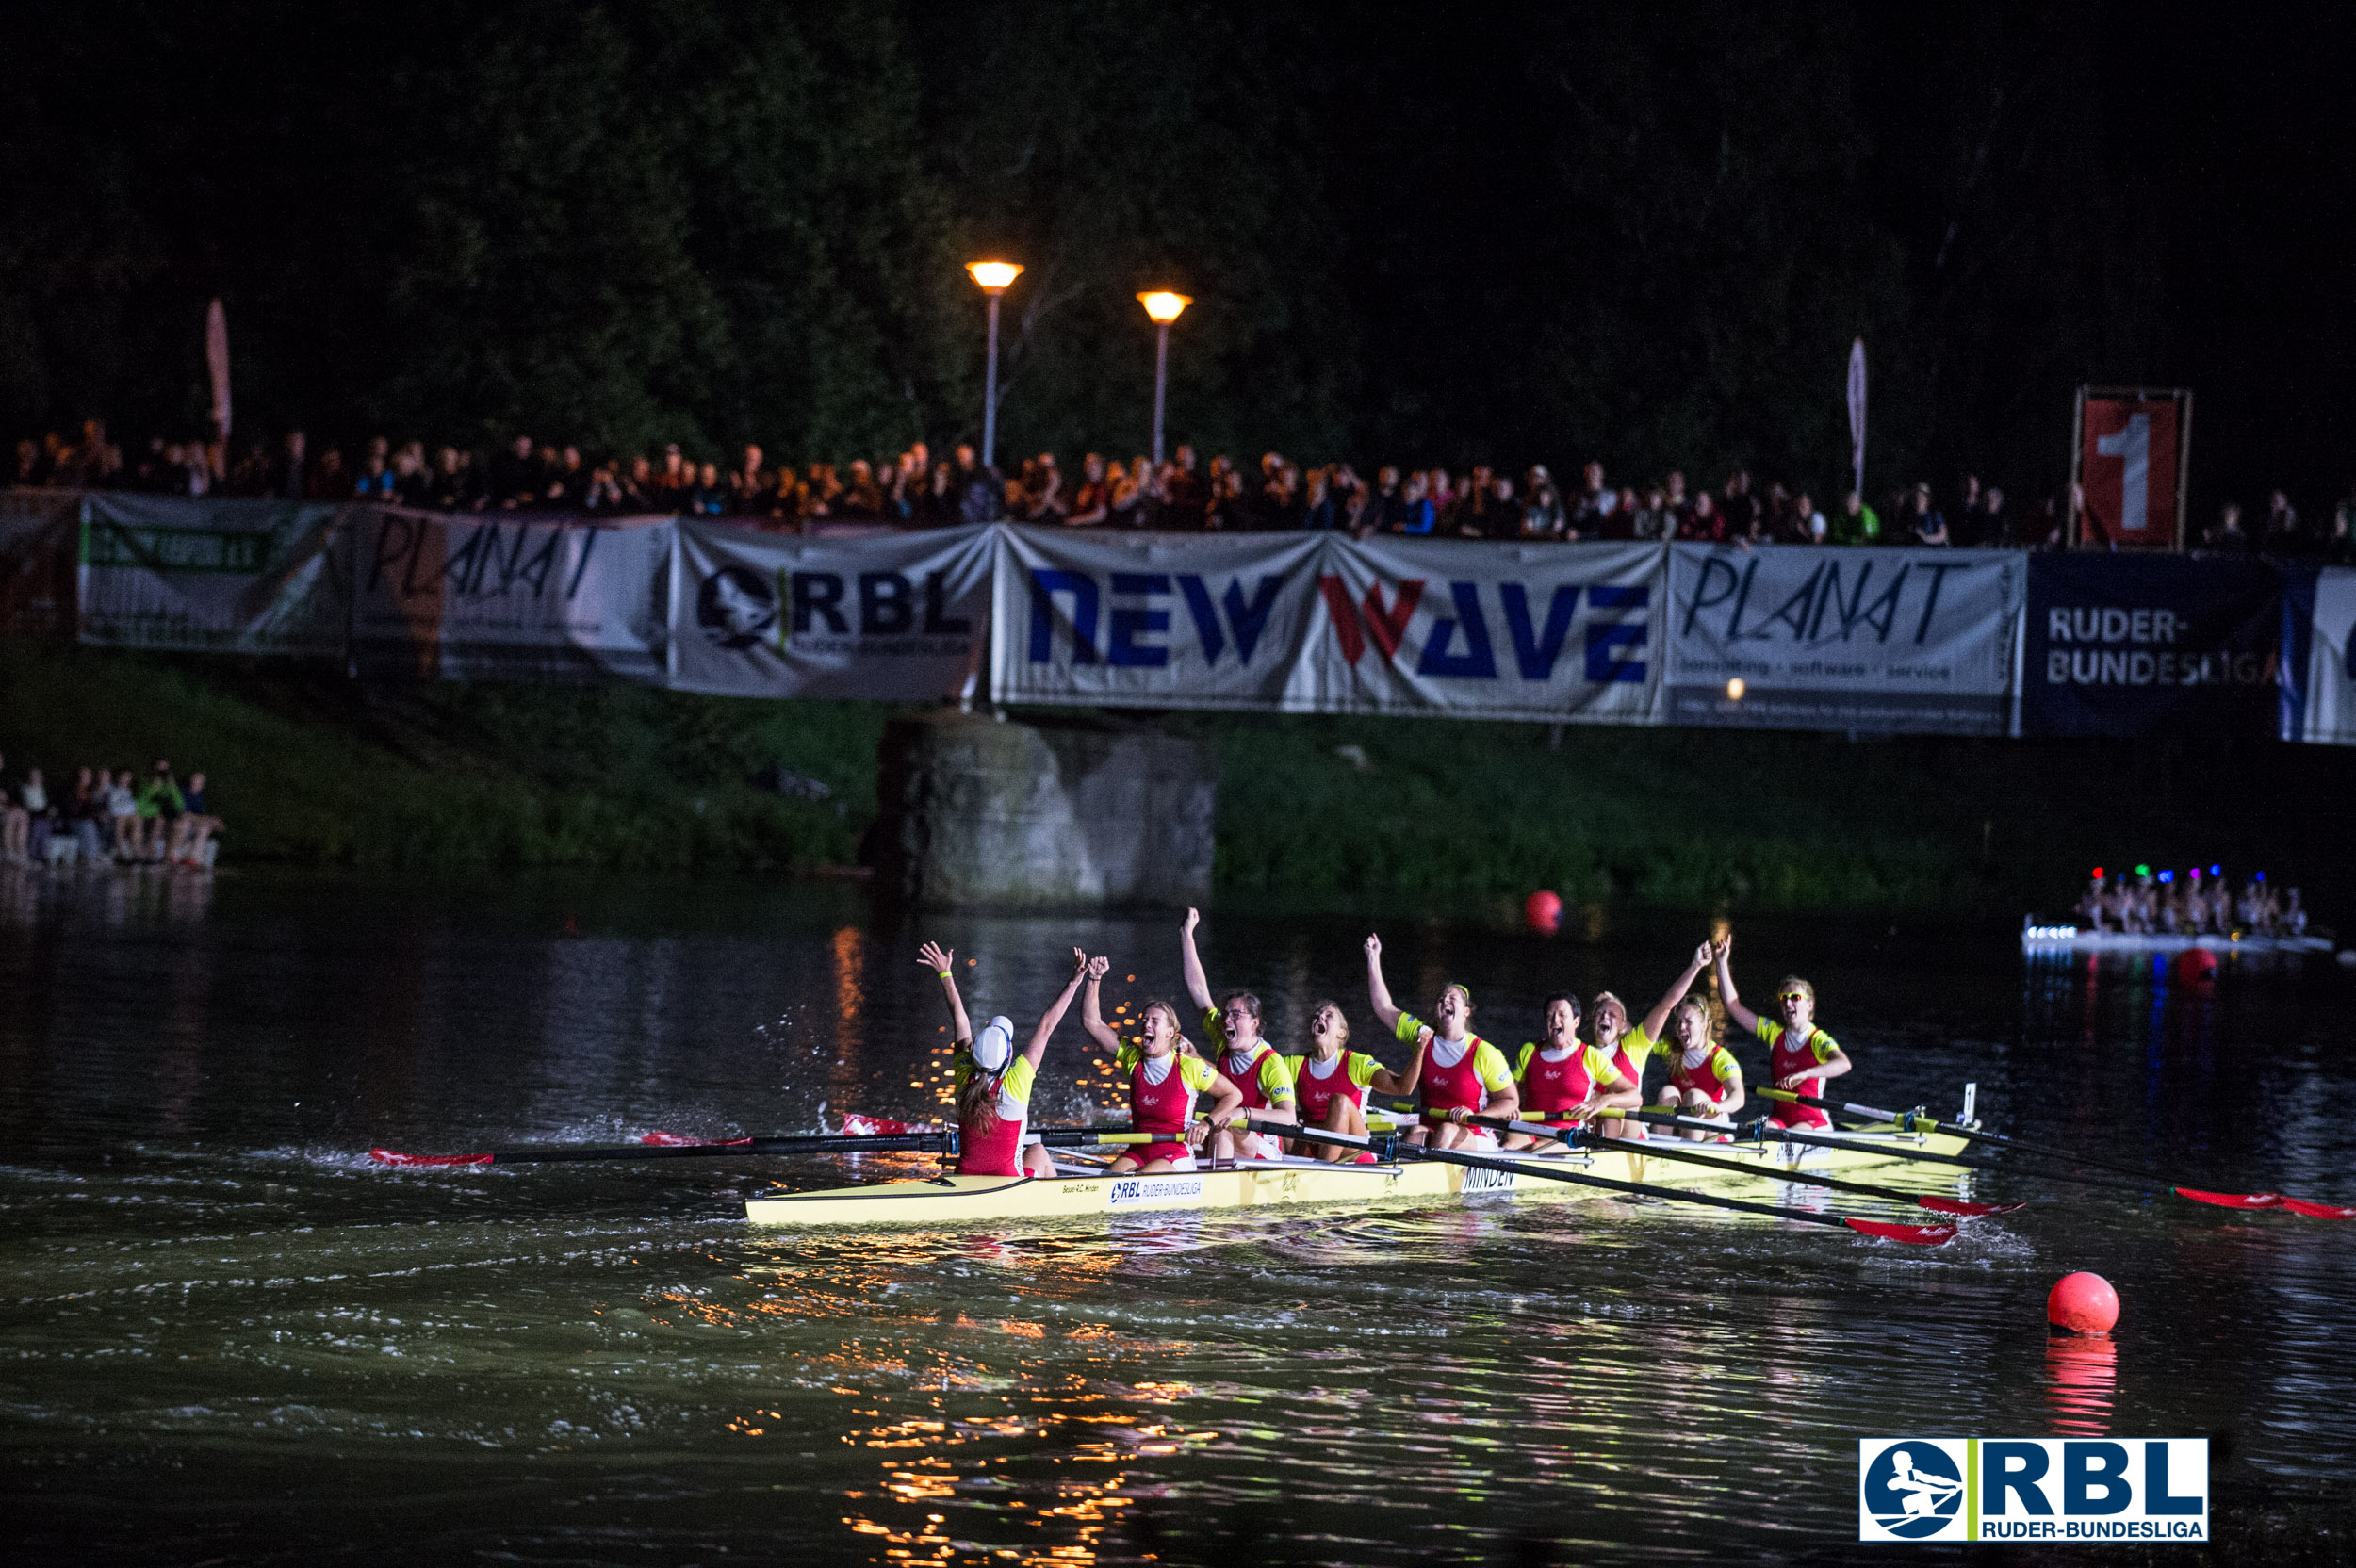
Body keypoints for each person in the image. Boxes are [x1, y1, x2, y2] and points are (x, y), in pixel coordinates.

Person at [918, 939, 1087, 1179]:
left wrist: (946, 973)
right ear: (1009, 1056)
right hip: (1008, 1181)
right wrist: (1074, 982)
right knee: (1038, 1150)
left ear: (974, 1051)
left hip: (964, 1177)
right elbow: (1047, 1025)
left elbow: (960, 1019)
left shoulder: (964, 1074)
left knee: (1031, 1149)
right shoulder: (1017, 1080)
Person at [1363, 932, 1519, 1149]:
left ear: (1465, 1012)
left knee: (1446, 1130)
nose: (1445, 1000)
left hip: (1476, 1136)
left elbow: (1510, 1100)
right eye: (1441, 999)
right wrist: (1373, 958)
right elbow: (1384, 1007)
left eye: (1452, 998)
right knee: (1414, 1133)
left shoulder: (1484, 1053)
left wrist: (1476, 1113)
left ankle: (1429, 1173)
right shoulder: (1423, 1036)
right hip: (1431, 1130)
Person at [1081, 969, 1245, 1174]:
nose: (1145, 1024)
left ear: (1170, 1033)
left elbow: (1234, 1094)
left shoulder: (1189, 1066)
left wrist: (1206, 1124)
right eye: (1144, 1020)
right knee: (1105, 1180)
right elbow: (1091, 1023)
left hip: (1176, 1154)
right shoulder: (1133, 1059)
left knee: (1142, 1176)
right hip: (1138, 1150)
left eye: (1154, 1021)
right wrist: (1094, 978)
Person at [1179, 907, 1295, 1159]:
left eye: (1236, 1015)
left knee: (1223, 1125)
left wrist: (1243, 1113)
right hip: (1228, 1135)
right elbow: (1199, 990)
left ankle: (1214, 1193)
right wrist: (1187, 934)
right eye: (1226, 1013)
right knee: (1179, 1135)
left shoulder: (1270, 1063)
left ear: (1255, 1023)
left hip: (1264, 1150)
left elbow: (1288, 1117)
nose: (1226, 1019)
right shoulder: (1224, 1036)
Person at [1711, 934, 1852, 1133]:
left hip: (1813, 1122)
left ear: (1809, 1004)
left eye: (1795, 998)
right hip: (1780, 1119)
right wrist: (1721, 962)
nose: (1788, 1003)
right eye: (1784, 998)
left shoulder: (1818, 1040)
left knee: (1790, 1135)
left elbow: (1844, 1064)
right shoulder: (1774, 1033)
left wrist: (1806, 1074)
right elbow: (1733, 1006)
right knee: (1749, 1133)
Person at [1281, 999, 1428, 1163]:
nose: (1320, 1017)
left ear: (1341, 1033)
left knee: (1340, 1101)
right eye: (1316, 1016)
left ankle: (1321, 1169)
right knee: (1277, 1109)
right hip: (1313, 1145)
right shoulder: (1295, 1064)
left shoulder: (1356, 1063)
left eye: (1328, 1015)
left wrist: (1419, 1051)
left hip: (1355, 1150)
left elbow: (1402, 1088)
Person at [1497, 994, 1639, 1152]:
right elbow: (1509, 1095)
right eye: (1550, 1016)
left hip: (1568, 1134)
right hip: (1529, 1127)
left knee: (1536, 1148)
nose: (1555, 1021)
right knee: (1508, 1146)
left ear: (1576, 1022)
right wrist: (1510, 1107)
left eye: (1562, 1015)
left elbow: (1635, 1096)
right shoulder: (1529, 1051)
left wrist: (1605, 1100)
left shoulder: (1591, 1056)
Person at [1655, 986, 1746, 1141]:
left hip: (1713, 1131)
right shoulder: (1670, 1048)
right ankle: (1658, 1150)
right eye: (1678, 1021)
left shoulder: (1720, 1058)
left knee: (1694, 1096)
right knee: (1667, 1092)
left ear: (1704, 1025)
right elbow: (1637, 1039)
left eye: (1688, 1022)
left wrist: (1719, 1107)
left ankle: (1688, 1153)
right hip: (1681, 1127)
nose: (1681, 1027)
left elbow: (1738, 1097)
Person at [171, 770, 221, 865]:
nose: (197, 783)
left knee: (204, 829)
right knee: (185, 824)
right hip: (177, 825)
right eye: (195, 779)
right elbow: (183, 815)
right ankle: (174, 857)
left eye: (200, 781)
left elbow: (199, 816)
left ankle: (193, 860)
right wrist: (207, 820)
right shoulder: (182, 792)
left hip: (191, 826)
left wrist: (213, 822)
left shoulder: (200, 795)